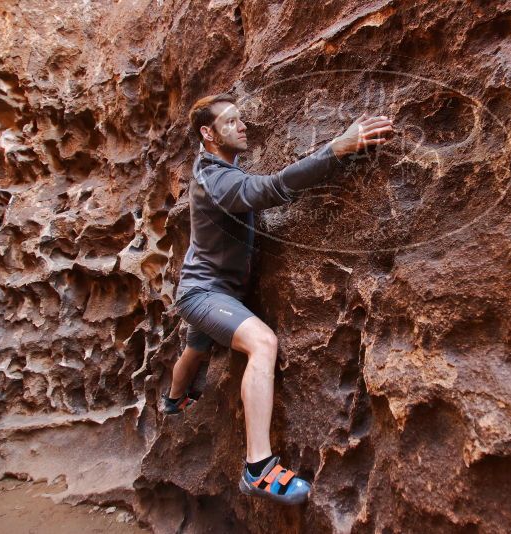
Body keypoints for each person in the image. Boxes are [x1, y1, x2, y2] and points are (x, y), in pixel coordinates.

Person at [164, 92, 393, 505]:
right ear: (207, 133)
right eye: (231, 121)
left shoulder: (212, 169)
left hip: (207, 288)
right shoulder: (217, 180)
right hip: (205, 292)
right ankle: (258, 468)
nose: (243, 125)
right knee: (263, 343)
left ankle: (174, 400)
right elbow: (272, 188)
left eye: (241, 119)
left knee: (196, 351)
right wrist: (337, 148)